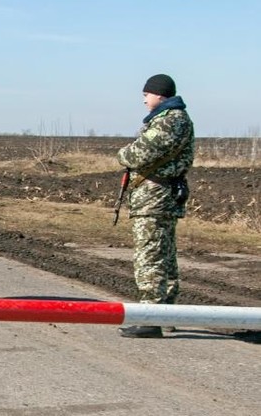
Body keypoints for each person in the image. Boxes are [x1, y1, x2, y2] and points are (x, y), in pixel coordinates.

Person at [116, 74, 194, 338]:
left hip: (156, 197)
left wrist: (123, 153)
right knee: (164, 254)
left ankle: (151, 317)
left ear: (160, 94)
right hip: (159, 196)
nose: (143, 98)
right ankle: (165, 315)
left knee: (151, 255)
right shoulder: (171, 118)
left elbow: (138, 154)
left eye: (146, 94)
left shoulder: (171, 120)